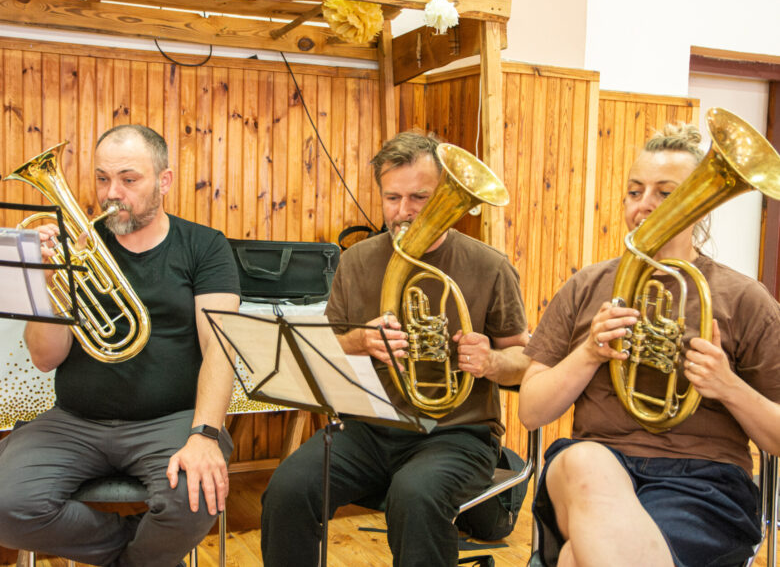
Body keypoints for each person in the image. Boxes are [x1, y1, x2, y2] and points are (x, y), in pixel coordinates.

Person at [260, 131, 530, 566]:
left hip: (457, 434)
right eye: (392, 198)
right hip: (367, 428)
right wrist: (359, 341)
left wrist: (493, 360)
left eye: (419, 197)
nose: (403, 212)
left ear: (444, 194)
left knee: (417, 495)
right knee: (289, 488)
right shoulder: (357, 260)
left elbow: (526, 360)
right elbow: (326, 347)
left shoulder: (489, 266)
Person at [518, 123, 780, 567]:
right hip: (592, 463)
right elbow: (531, 411)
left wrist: (726, 385)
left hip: (703, 482)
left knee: (576, 559)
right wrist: (588, 353)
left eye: (665, 192)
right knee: (587, 463)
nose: (645, 206)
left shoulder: (745, 298)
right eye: (635, 191)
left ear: (702, 206)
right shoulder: (587, 286)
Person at [0, 125, 241, 567]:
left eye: (129, 180)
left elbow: (221, 348)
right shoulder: (75, 246)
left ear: (163, 181)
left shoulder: (204, 247)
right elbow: (45, 357)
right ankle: (135, 557)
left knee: (195, 499)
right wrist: (50, 282)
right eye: (102, 179)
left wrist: (205, 433)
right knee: (6, 505)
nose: (112, 194)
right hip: (75, 420)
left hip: (169, 420)